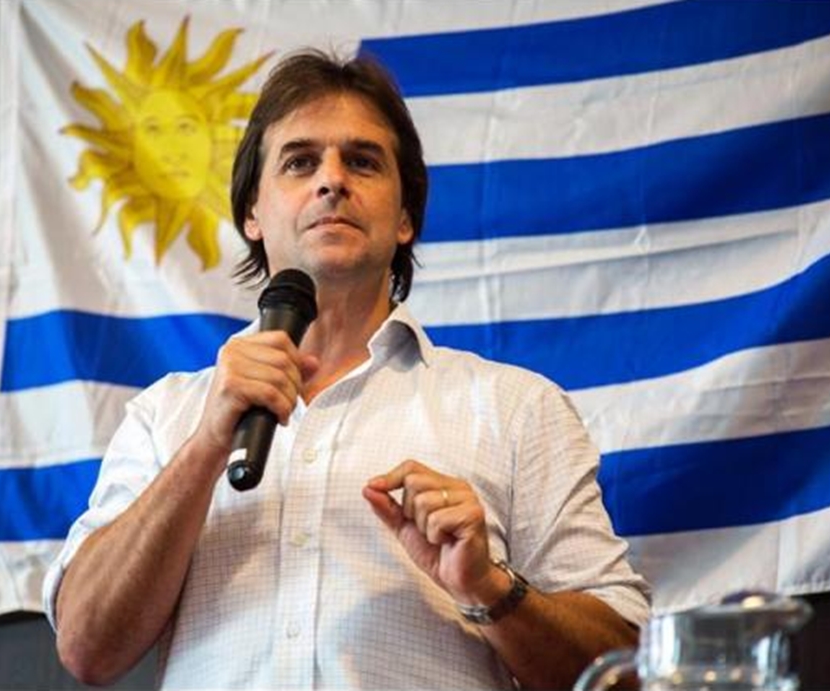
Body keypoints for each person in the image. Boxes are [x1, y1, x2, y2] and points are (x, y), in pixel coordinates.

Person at [44, 49, 651, 690]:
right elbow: (87, 648)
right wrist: (204, 448)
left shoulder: (517, 409)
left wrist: (490, 588)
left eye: (362, 161)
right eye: (300, 162)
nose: (332, 180)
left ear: (405, 218)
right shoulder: (164, 414)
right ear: (252, 213)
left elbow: (624, 671)